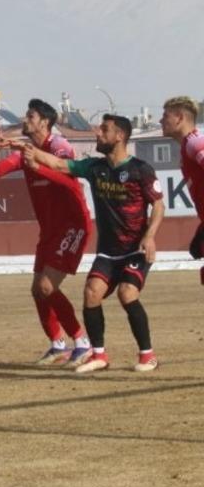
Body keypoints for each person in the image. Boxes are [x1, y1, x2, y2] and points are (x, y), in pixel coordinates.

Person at [24, 114, 164, 373]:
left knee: (126, 293)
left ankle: (148, 356)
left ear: (120, 136)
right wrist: (31, 152)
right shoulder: (95, 168)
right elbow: (59, 163)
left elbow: (157, 204)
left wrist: (150, 235)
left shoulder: (140, 170)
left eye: (104, 129)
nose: (98, 133)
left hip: (135, 249)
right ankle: (99, 355)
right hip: (108, 253)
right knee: (91, 293)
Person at [0, 99, 94, 366]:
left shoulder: (59, 146)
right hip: (49, 230)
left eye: (30, 115)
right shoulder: (26, 150)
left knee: (47, 286)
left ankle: (82, 342)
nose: (25, 119)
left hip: (73, 224)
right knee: (37, 290)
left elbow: (70, 181)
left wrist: (38, 166)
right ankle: (58, 345)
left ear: (44, 122)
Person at [159, 96, 204, 287]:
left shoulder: (195, 143)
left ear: (179, 117)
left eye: (165, 116)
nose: (161, 121)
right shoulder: (187, 146)